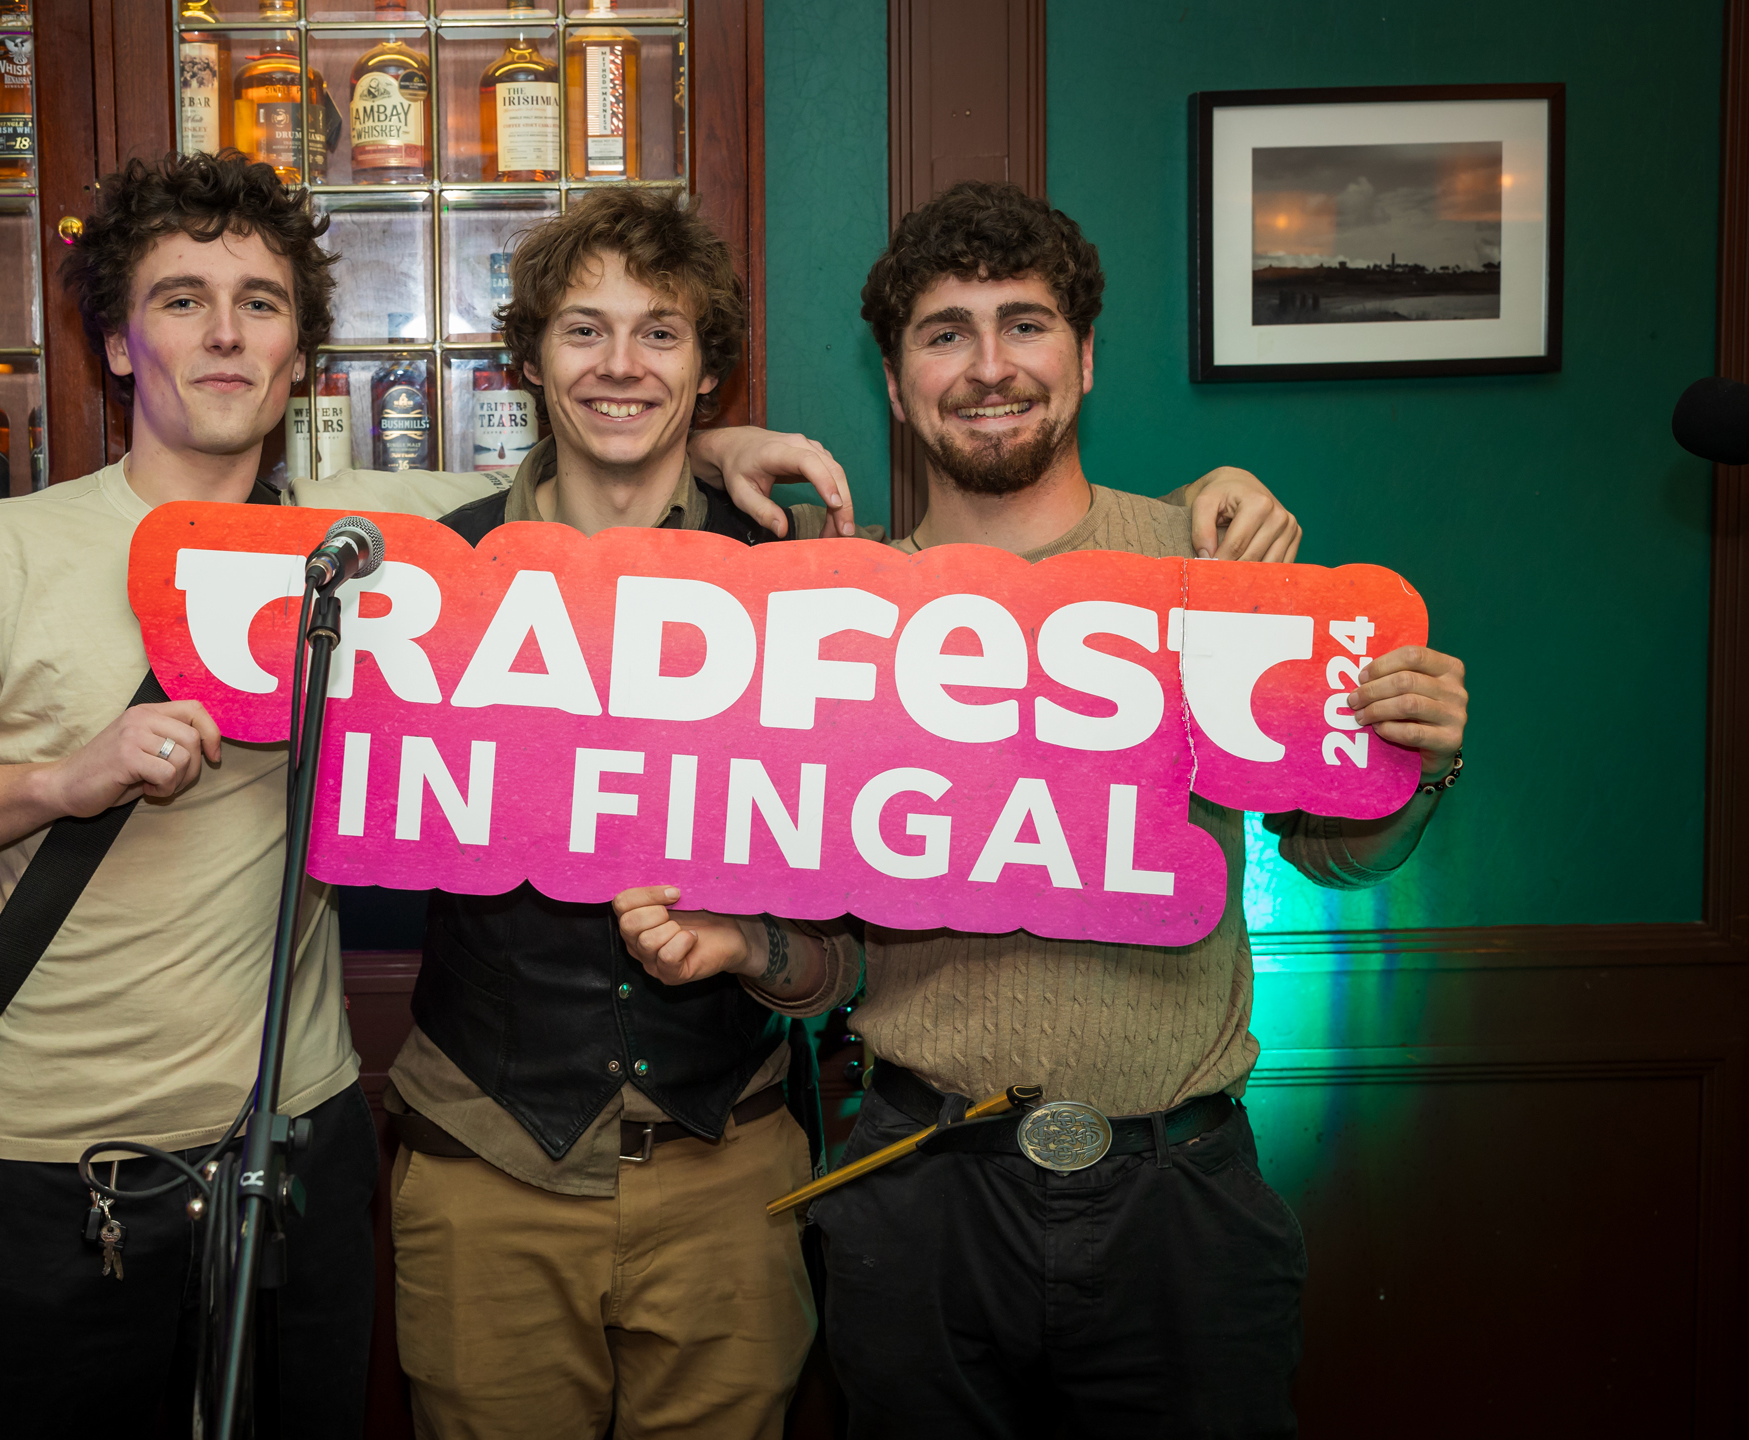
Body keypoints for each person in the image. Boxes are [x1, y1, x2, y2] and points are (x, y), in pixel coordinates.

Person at [0, 149, 904, 1438]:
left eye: (260, 303)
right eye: (181, 300)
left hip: (292, 1142)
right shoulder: (6, 547)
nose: (225, 334)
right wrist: (61, 780)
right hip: (50, 1152)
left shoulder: (387, 538)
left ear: (297, 354)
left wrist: (714, 438)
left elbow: (606, 458)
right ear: (114, 343)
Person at [385, 185, 1312, 1440]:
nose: (621, 364)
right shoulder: (440, 577)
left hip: (816, 1164)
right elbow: (324, 539)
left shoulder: (816, 595)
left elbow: (1336, 836)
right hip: (535, 1158)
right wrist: (697, 443)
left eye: (661, 333)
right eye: (583, 332)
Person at [614, 180, 1471, 1438]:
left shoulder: (1213, 567)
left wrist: (1417, 760)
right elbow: (831, 963)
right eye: (945, 333)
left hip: (1180, 1198)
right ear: (896, 383)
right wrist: (749, 949)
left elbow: (1337, 851)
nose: (989, 366)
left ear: (1085, 359)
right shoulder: (842, 618)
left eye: (1024, 324)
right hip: (918, 1192)